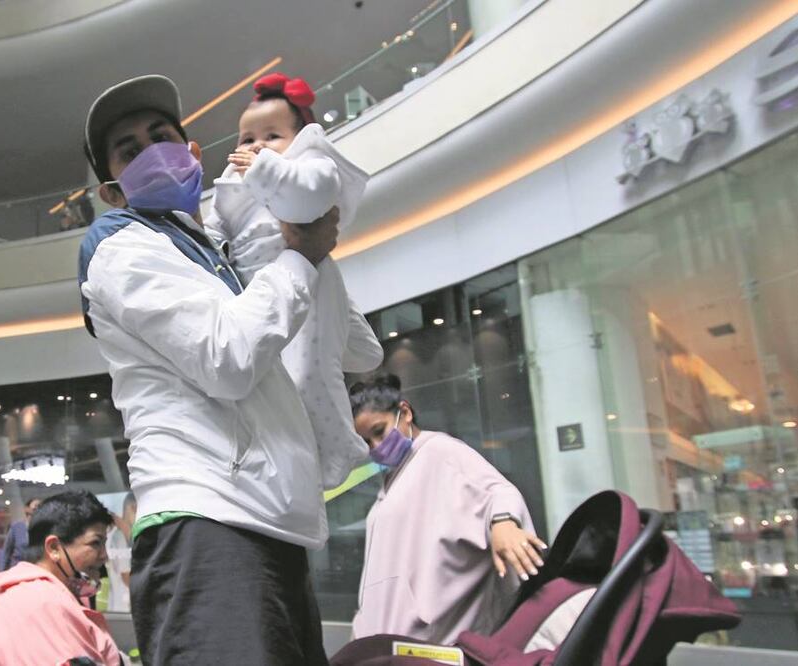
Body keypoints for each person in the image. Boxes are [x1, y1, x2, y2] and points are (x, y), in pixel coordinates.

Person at [77, 74, 344, 665]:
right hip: (205, 519)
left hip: (259, 517)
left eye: (162, 136)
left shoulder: (208, 246)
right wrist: (300, 257)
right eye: (129, 150)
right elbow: (227, 357)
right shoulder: (119, 243)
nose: (152, 152)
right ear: (113, 191)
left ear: (194, 153)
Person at [206, 72, 381, 489]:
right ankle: (354, 347)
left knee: (309, 372)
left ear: (301, 137)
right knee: (298, 365)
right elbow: (216, 227)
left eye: (272, 136)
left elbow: (310, 199)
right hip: (267, 283)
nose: (257, 146)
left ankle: (340, 446)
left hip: (311, 275)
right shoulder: (232, 182)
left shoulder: (312, 165)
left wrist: (265, 170)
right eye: (248, 138)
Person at [349, 374, 548, 645]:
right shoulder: (395, 476)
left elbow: (497, 492)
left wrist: (504, 523)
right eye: (366, 442)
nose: (376, 447)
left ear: (404, 412)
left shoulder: (440, 452)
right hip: (385, 643)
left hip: (429, 643)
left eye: (379, 431)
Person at [0, 490, 121, 666]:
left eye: (104, 543)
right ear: (54, 548)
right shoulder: (39, 601)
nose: (104, 555)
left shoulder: (44, 593)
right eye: (95, 543)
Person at [105, 493, 136, 613]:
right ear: (132, 508)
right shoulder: (119, 537)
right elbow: (126, 576)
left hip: (121, 607)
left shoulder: (125, 537)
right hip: (122, 609)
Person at [1, 497, 42, 570]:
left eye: (40, 507)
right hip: (17, 568)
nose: (37, 510)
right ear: (27, 509)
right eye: (35, 507)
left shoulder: (43, 529)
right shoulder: (16, 527)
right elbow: (7, 552)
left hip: (35, 569)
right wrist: (2, 571)